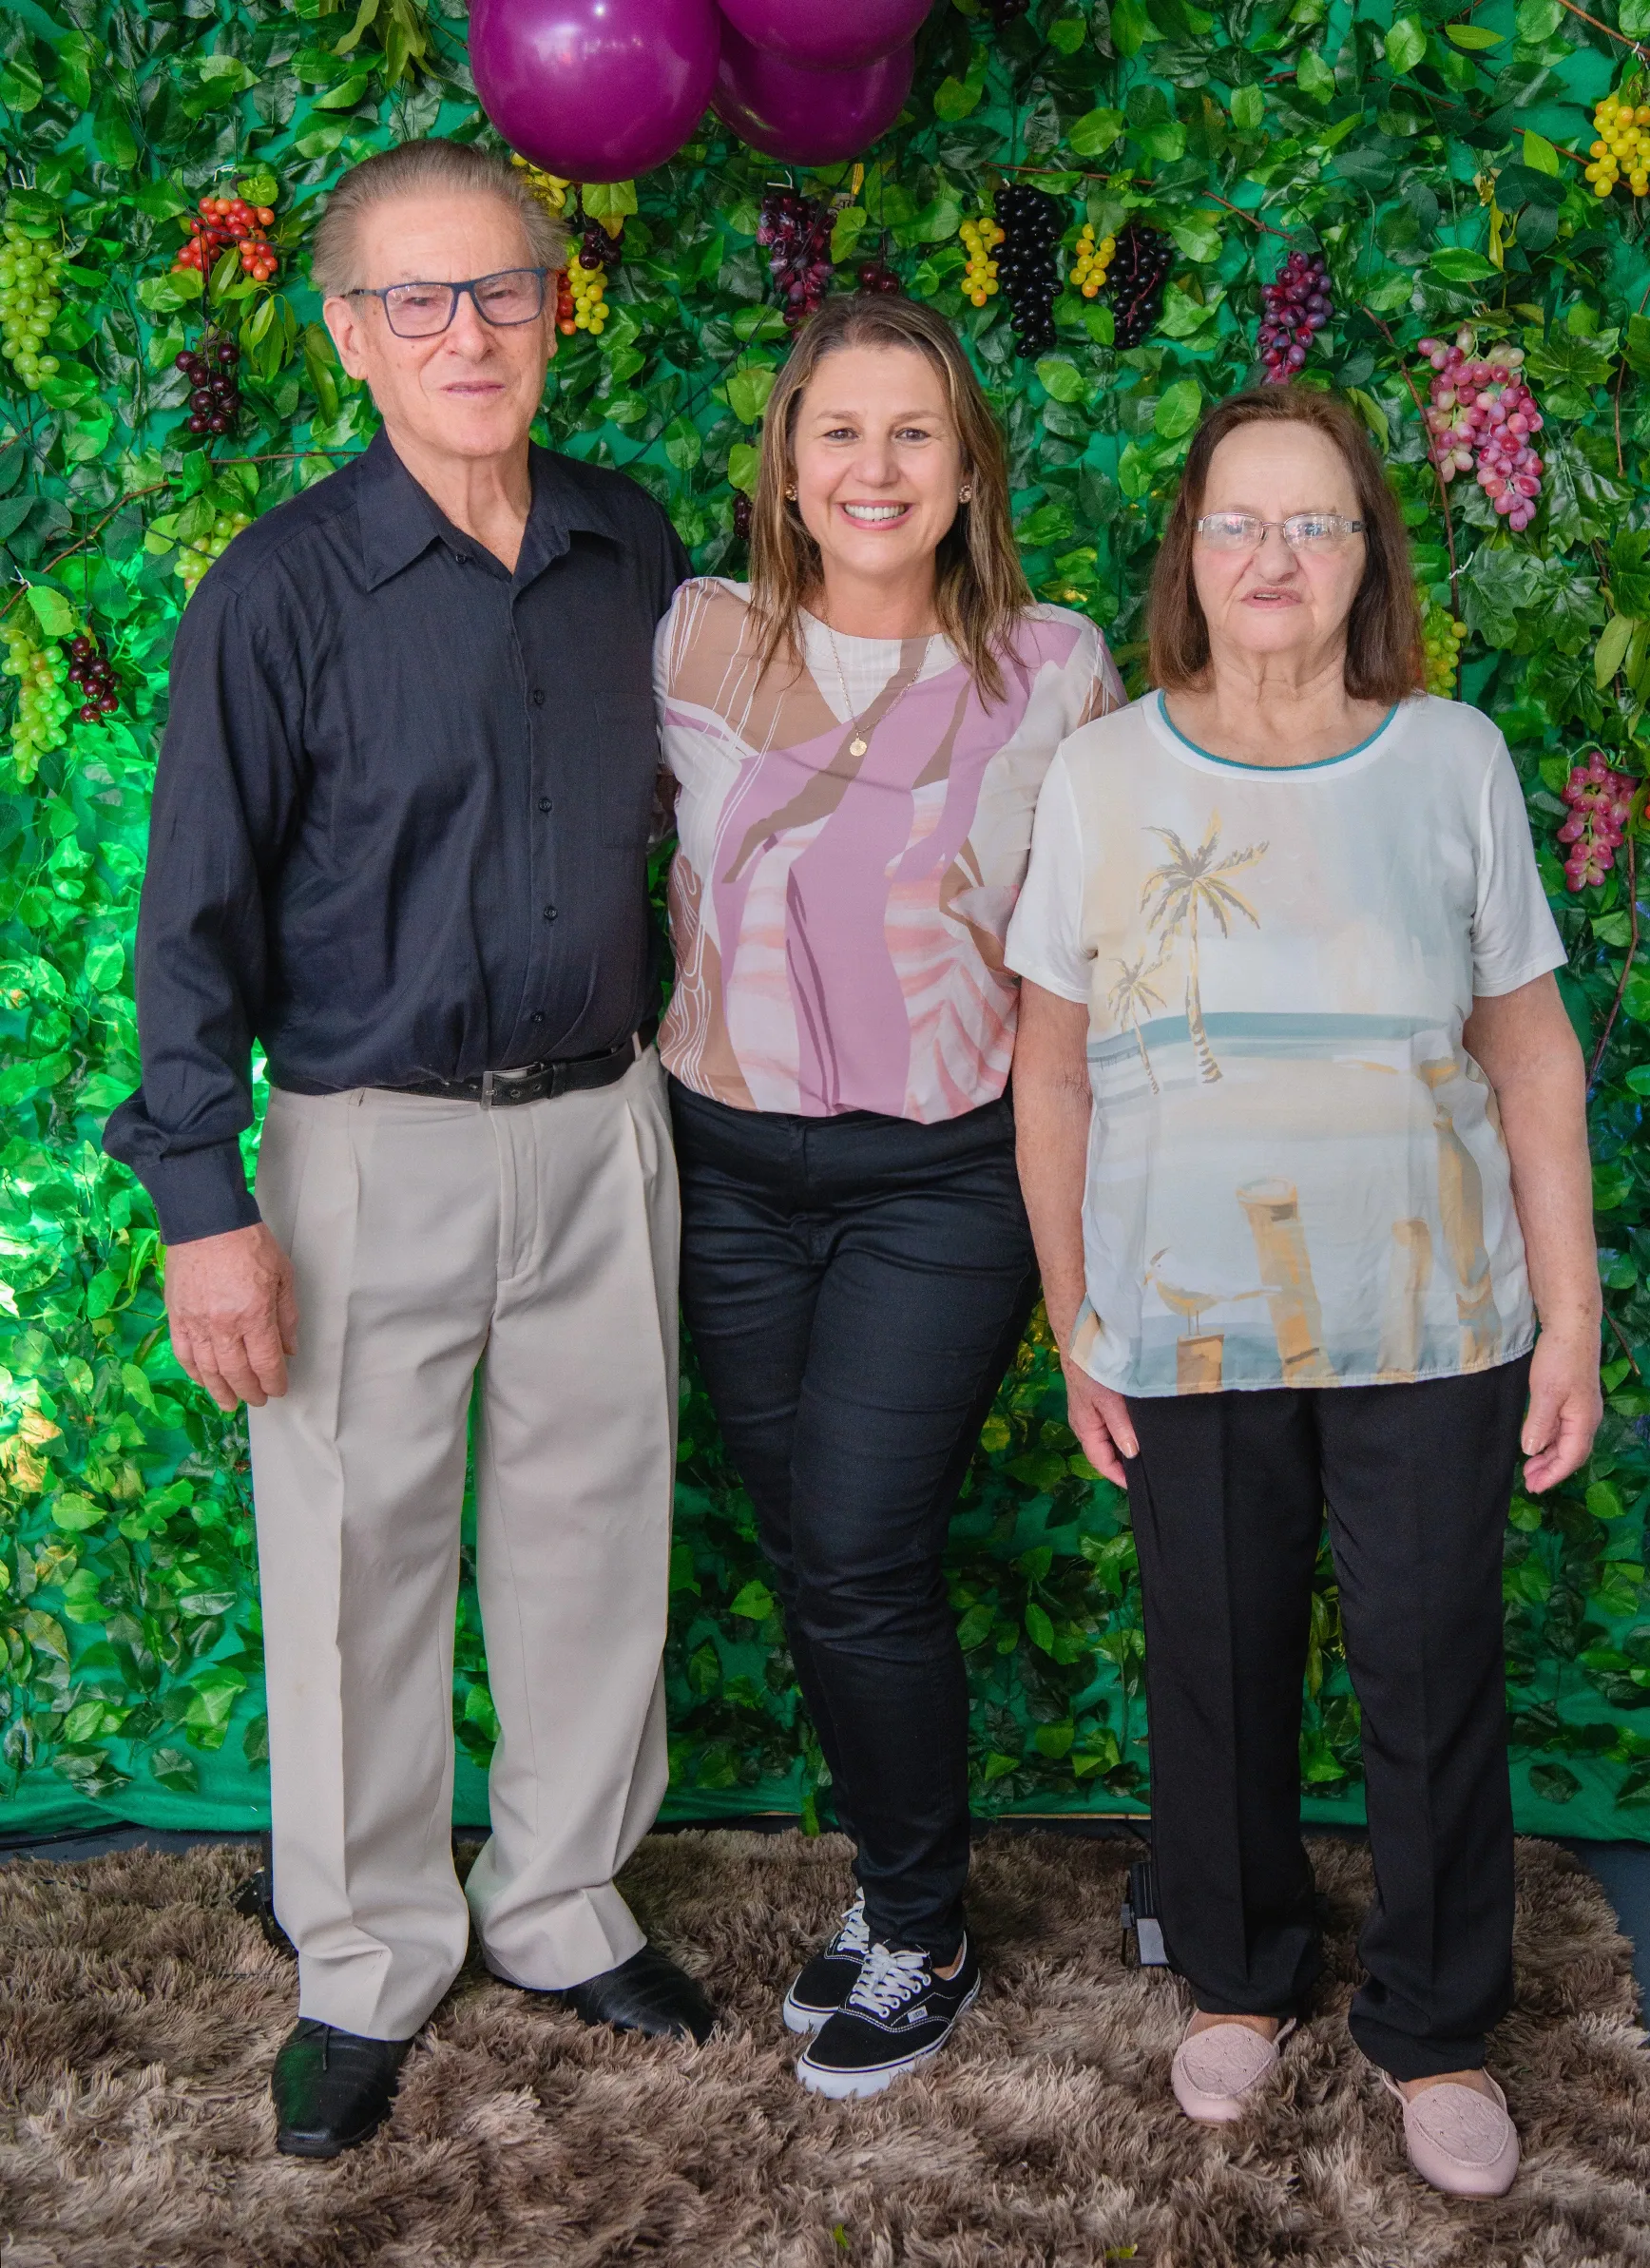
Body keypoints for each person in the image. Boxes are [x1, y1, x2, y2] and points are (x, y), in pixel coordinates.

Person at [105, 140, 713, 2162]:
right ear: (350, 331)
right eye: (420, 302)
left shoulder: (635, 545)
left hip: (605, 1124)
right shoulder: (276, 588)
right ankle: (364, 1951)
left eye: (507, 293)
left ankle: (557, 1899)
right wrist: (206, 1208)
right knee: (356, 1565)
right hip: (366, 1146)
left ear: (557, 306)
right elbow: (189, 917)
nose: (473, 335)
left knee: (592, 1538)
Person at [1008, 385, 1600, 2199]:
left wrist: (1571, 1313)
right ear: (1192, 551)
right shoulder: (1105, 772)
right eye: (1239, 523)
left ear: (1367, 557)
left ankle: (1434, 2019)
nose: (1275, 558)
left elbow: (1532, 1058)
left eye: (1316, 523)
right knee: (1218, 1655)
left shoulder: (1455, 761)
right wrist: (1069, 1304)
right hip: (1183, 1313)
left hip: (1431, 1312)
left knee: (1432, 1669)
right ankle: (1242, 1974)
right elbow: (1050, 1065)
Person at [657, 294, 1122, 2098]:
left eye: (913, 434)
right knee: (809, 1547)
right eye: (839, 432)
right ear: (787, 459)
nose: (875, 468)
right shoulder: (691, 641)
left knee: (856, 1544)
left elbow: (1096, 944)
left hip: (942, 1172)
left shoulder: (1053, 667)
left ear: (966, 465)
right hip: (724, 1160)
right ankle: (888, 1882)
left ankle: (921, 1924)